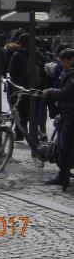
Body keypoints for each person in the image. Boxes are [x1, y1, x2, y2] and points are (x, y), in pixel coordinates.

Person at [42, 48, 74, 185]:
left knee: (64, 146)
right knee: (62, 146)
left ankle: (63, 176)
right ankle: (63, 175)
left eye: (64, 61)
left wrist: (51, 91)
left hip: (71, 114)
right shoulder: (67, 71)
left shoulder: (72, 74)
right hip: (66, 113)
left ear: (71, 59)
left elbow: (68, 92)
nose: (62, 64)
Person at [8, 33, 46, 140]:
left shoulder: (17, 55)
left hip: (21, 88)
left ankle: (20, 134)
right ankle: (34, 137)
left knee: (21, 112)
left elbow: (11, 72)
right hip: (35, 88)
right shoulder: (37, 54)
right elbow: (44, 69)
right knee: (33, 112)